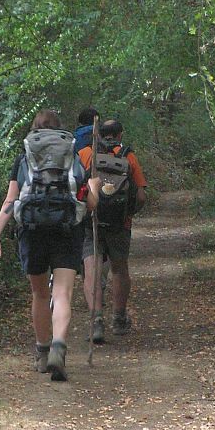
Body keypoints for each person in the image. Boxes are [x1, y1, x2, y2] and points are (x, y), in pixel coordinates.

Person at [0, 109, 99, 382]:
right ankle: (59, 346)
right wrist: (94, 186)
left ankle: (42, 351)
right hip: (66, 230)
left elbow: (10, 201)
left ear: (34, 130)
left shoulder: (24, 158)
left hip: (32, 229)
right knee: (62, 292)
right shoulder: (71, 157)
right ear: (58, 129)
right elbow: (90, 203)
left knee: (39, 293)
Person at [78, 118, 147, 342]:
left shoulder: (86, 154)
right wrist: (128, 214)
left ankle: (96, 321)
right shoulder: (128, 155)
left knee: (92, 270)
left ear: (98, 135)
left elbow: (76, 188)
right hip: (120, 224)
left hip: (91, 222)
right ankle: (118, 319)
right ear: (120, 135)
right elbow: (141, 195)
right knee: (119, 269)